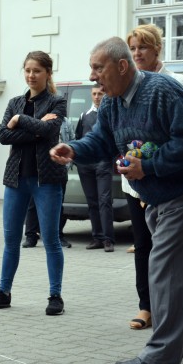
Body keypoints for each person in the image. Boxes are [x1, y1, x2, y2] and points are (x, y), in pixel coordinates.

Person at [50, 37, 183, 364]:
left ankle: (161, 355)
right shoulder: (112, 103)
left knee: (165, 267)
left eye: (98, 68)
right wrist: (75, 150)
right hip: (159, 194)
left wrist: (149, 167)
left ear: (121, 66)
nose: (93, 76)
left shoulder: (163, 91)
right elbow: (102, 140)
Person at [124, 24, 183, 332]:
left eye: (143, 48)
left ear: (157, 50)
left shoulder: (173, 82)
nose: (137, 53)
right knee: (143, 245)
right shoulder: (126, 86)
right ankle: (146, 306)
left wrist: (150, 166)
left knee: (169, 257)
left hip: (172, 182)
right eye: (133, 48)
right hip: (137, 181)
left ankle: (173, 326)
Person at [0, 51, 68, 316]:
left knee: (51, 239)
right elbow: (3, 136)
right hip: (16, 179)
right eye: (28, 70)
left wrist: (20, 122)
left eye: (37, 71)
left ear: (47, 73)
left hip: (47, 180)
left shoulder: (57, 102)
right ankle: (3, 292)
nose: (31, 75)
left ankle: (55, 296)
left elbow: (49, 132)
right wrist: (35, 127)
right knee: (11, 239)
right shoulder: (15, 101)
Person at [74, 84, 115, 252]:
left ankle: (108, 239)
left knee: (104, 200)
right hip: (85, 166)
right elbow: (78, 138)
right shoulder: (84, 115)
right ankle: (97, 237)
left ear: (105, 95)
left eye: (100, 93)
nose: (97, 96)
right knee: (92, 202)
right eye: (94, 94)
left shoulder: (109, 115)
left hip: (103, 164)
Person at [22, 115, 74, 249]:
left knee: (58, 204)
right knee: (33, 203)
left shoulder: (65, 121)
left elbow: (71, 140)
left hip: (59, 169)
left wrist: (67, 164)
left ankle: (58, 236)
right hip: (39, 168)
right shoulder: (39, 119)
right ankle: (31, 236)